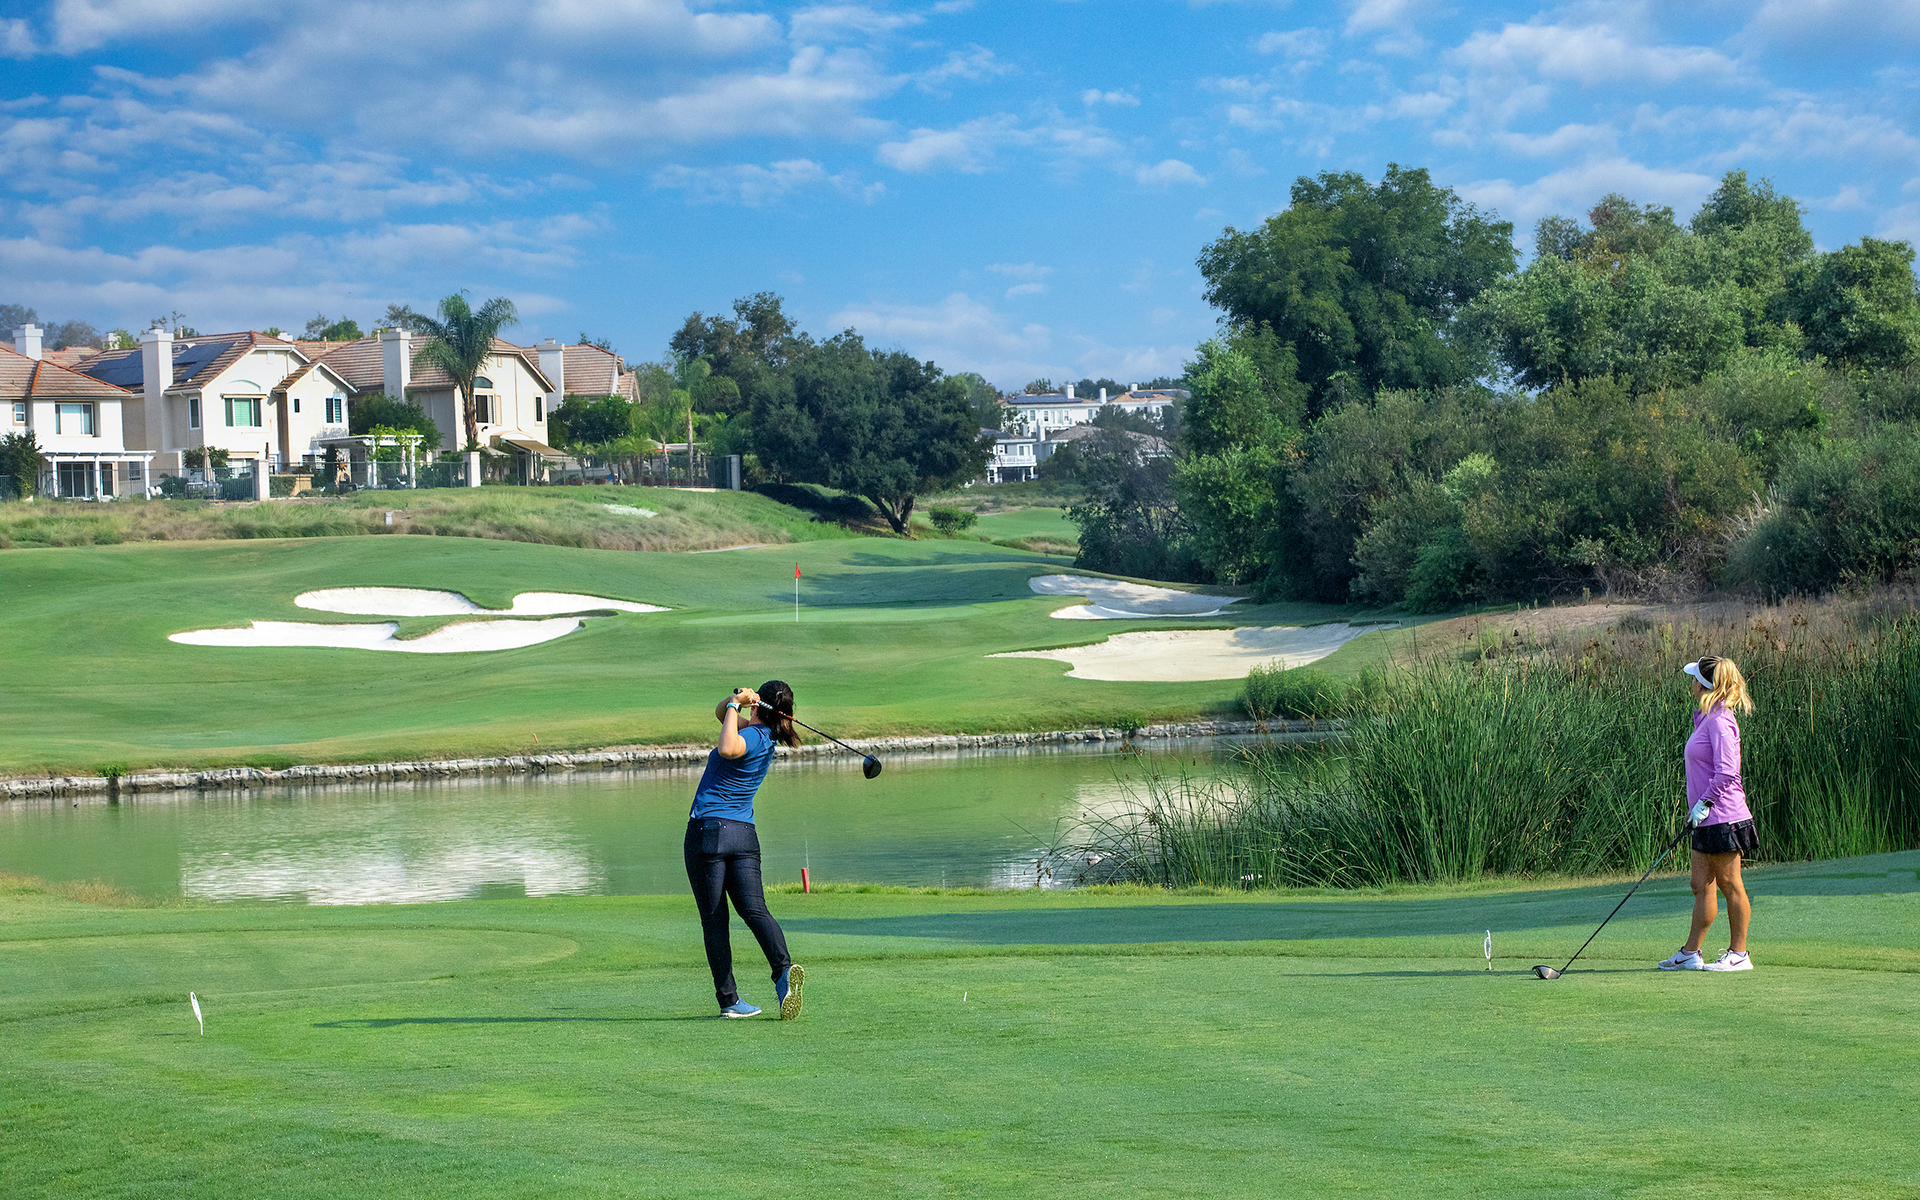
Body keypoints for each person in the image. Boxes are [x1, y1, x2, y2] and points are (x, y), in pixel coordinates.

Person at [685, 680, 806, 1018]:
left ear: (758, 706)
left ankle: (729, 1000)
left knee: (715, 921)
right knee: (755, 910)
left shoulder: (750, 736)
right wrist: (733, 702)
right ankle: (783, 973)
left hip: (709, 833)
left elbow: (727, 748)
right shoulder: (768, 737)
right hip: (743, 836)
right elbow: (720, 714)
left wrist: (737, 703)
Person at [1658, 655, 1759, 972]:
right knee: (1700, 884)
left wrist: (1704, 803)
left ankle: (1739, 954)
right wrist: (1697, 808)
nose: (1691, 683)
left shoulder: (1720, 721)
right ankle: (1690, 953)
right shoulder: (1706, 718)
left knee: (1730, 883)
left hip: (1724, 816)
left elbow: (1728, 772)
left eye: (1694, 678)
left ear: (1703, 685)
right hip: (1705, 816)